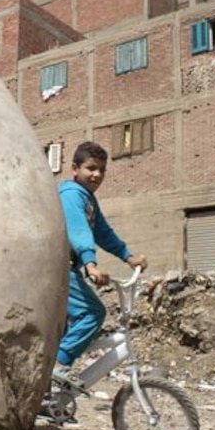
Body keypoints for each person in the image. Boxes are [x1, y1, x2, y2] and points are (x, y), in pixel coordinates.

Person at [55, 141, 147, 382]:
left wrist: (128, 257)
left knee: (62, 330)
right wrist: (90, 263)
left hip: (65, 267)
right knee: (92, 313)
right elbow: (79, 231)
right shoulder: (71, 195)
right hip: (58, 267)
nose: (97, 175)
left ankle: (48, 394)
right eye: (91, 168)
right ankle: (57, 369)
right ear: (75, 169)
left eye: (102, 170)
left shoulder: (87, 199)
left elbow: (102, 232)